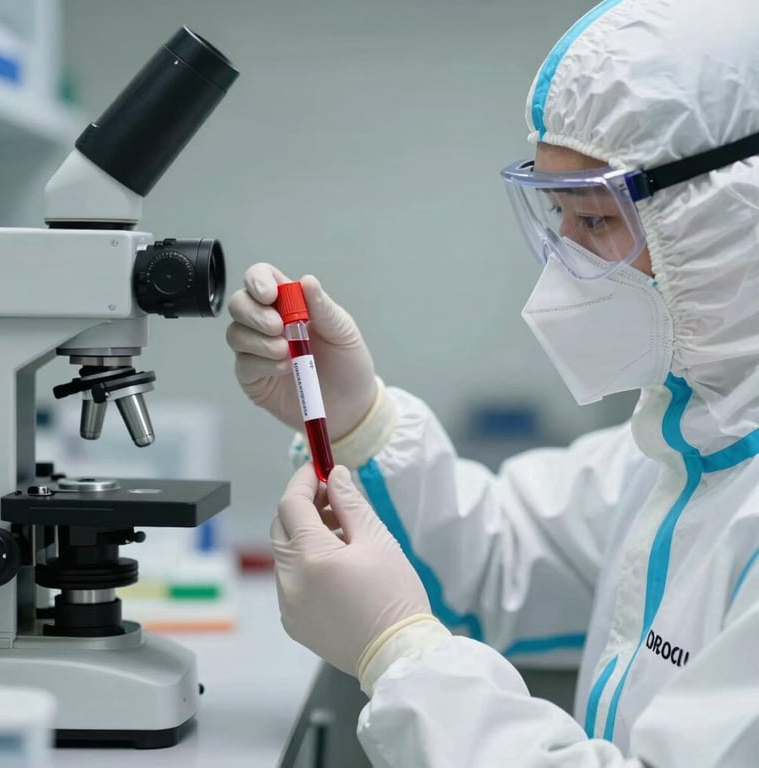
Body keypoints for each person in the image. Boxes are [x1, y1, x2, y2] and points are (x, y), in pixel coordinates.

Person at [226, 0, 759, 764]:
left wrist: (403, 656)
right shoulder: (695, 440)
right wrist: (356, 419)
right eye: (557, 217)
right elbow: (495, 561)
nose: (564, 268)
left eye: (596, 220)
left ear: (731, 216)